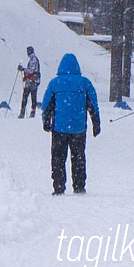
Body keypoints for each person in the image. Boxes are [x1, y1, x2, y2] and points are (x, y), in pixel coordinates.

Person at [40, 53, 101, 195]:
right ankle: (79, 186)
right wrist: (96, 123)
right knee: (78, 157)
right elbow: (93, 105)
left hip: (59, 128)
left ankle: (58, 187)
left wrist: (46, 121)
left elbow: (46, 105)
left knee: (58, 158)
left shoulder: (55, 83)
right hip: (78, 128)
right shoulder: (85, 83)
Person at [17, 46, 41, 118]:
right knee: (33, 97)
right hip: (34, 80)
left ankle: (23, 112)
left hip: (32, 81)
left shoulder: (33, 60)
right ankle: (32, 111)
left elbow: (31, 70)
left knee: (25, 96)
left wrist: (23, 69)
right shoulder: (33, 59)